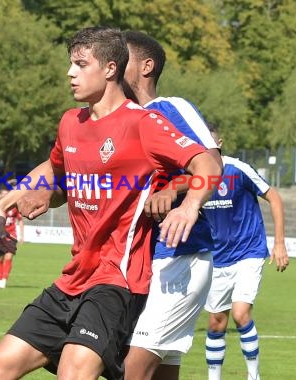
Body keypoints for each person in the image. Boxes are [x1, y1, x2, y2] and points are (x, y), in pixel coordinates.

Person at [0, 26, 223, 380]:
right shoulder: (70, 123)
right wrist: (39, 195)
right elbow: (63, 180)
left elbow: (207, 164)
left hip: (118, 280)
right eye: (71, 64)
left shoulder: (145, 122)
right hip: (72, 278)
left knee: (74, 372)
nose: (70, 73)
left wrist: (189, 204)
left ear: (110, 69)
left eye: (80, 64)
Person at [120, 31, 220, 380]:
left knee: (131, 369)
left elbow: (211, 162)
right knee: (162, 372)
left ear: (146, 66)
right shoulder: (123, 121)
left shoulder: (169, 108)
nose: (113, 64)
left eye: (123, 57)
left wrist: (179, 194)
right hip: (144, 263)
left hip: (180, 255)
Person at [202, 124, 289, 380]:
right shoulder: (195, 176)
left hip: (248, 252)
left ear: (220, 142)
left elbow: (274, 197)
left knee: (240, 314)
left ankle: (254, 376)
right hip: (217, 258)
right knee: (216, 322)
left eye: (210, 141)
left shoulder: (237, 169)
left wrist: (280, 242)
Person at [0, 186, 24, 289]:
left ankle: (4, 280)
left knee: (9, 256)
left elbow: (20, 221)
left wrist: (21, 236)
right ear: (0, 196)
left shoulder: (14, 207)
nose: (4, 195)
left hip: (11, 235)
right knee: (0, 258)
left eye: (6, 194)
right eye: (2, 194)